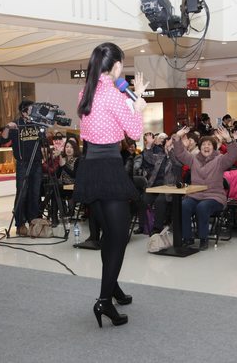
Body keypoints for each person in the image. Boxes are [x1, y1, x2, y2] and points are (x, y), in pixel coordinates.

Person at [73, 42, 148, 328]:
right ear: (116, 65)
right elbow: (135, 133)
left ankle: (111, 285)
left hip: (89, 166)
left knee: (108, 234)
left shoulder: (87, 92)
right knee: (118, 237)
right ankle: (104, 301)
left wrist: (133, 97)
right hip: (108, 167)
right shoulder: (113, 95)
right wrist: (138, 106)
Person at [173, 126, 237, 250]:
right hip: (195, 195)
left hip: (214, 197)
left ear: (214, 147)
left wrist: (229, 139)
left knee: (202, 207)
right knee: (184, 205)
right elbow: (180, 153)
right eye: (203, 145)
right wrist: (177, 136)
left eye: (209, 145)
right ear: (199, 147)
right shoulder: (193, 159)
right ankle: (188, 238)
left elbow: (233, 155)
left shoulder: (220, 160)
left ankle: (204, 238)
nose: (206, 147)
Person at [1, 100, 43, 236]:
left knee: (35, 193)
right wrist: (7, 127)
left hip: (37, 163)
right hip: (23, 163)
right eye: (31, 110)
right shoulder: (16, 125)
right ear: (24, 112)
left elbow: (43, 140)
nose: (33, 112)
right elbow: (2, 139)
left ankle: (33, 221)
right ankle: (20, 223)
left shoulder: (37, 124)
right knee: (22, 193)